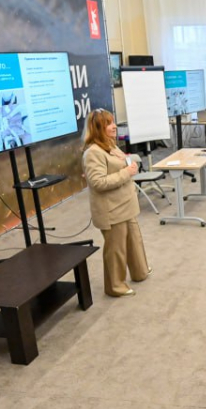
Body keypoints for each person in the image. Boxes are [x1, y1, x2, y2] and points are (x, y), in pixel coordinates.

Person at [83, 109, 151, 297]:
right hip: (112, 209)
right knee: (116, 249)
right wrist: (126, 172)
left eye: (113, 122)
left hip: (126, 204)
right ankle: (115, 286)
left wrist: (130, 164)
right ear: (98, 128)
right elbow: (98, 182)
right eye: (109, 124)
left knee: (134, 241)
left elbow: (122, 163)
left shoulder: (110, 145)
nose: (114, 127)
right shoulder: (93, 152)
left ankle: (140, 271)